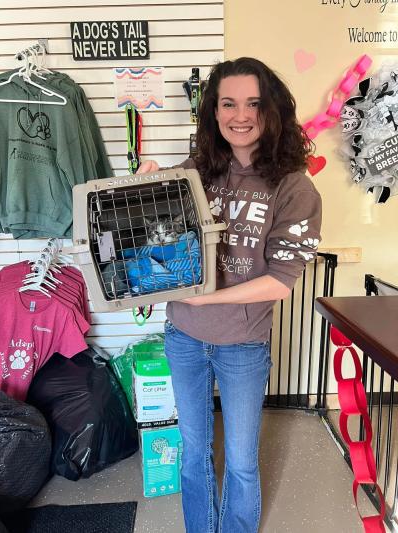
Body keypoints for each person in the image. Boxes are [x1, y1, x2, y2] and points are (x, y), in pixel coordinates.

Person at [137, 57, 322, 533]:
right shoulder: (196, 171)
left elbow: (281, 281)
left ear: (272, 110)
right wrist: (145, 183)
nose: (241, 115)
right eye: (228, 103)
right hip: (183, 337)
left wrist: (205, 298)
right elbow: (155, 233)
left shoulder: (293, 186)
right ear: (214, 112)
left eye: (254, 103)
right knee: (192, 452)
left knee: (240, 460)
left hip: (243, 343)